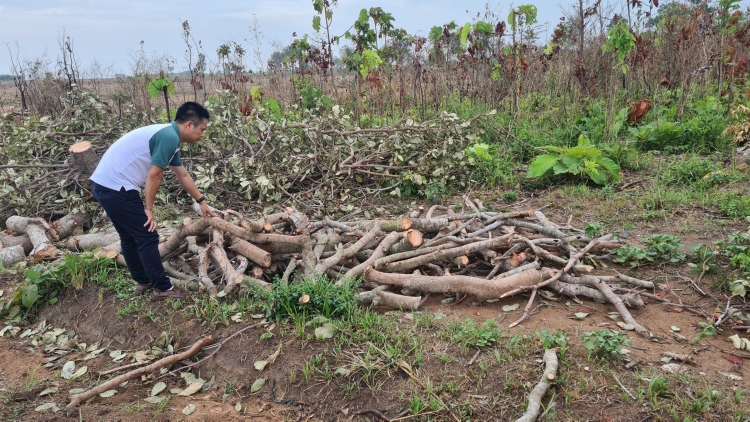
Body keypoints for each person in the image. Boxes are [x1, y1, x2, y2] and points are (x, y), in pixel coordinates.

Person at [90, 102, 216, 300]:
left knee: (131, 237)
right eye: (202, 129)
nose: (202, 135)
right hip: (117, 187)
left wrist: (201, 201)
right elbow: (154, 175)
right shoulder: (168, 137)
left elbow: (182, 175)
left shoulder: (169, 136)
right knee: (147, 236)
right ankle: (162, 288)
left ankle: (144, 281)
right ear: (190, 125)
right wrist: (148, 209)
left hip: (103, 185)